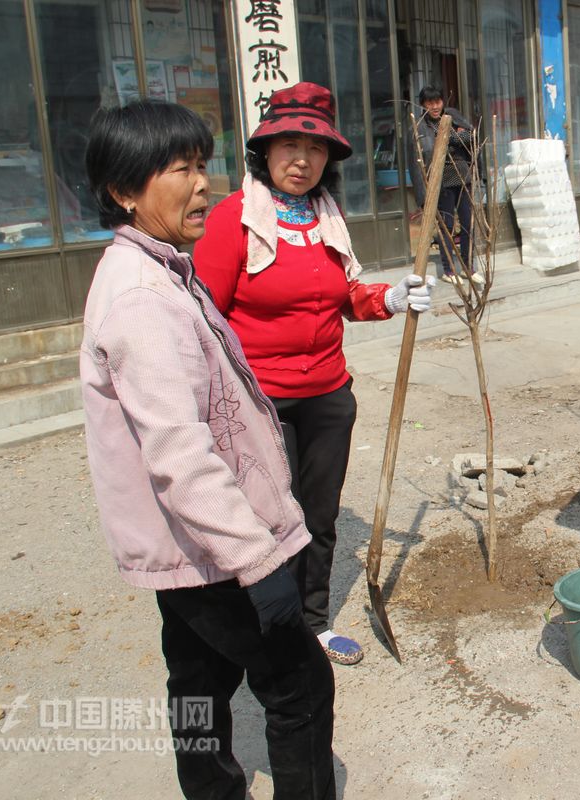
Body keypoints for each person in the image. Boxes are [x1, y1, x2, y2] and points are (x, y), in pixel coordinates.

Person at [81, 100, 335, 798]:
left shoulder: (156, 268)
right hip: (215, 548)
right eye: (179, 170)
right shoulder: (142, 300)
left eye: (202, 165)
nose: (202, 185)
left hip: (185, 549)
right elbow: (180, 455)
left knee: (195, 681)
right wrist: (257, 562)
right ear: (124, 192)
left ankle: (211, 789)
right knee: (300, 685)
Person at [194, 82, 434, 666]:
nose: (302, 160)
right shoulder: (233, 220)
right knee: (266, 517)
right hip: (258, 401)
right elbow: (203, 316)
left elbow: (344, 295)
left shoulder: (326, 218)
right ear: (264, 150)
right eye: (288, 145)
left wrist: (390, 297)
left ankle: (312, 623)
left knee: (319, 515)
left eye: (316, 149)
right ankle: (266, 628)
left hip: (328, 394)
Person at [408, 85, 481, 284]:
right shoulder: (419, 127)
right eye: (430, 102)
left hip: (462, 175)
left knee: (468, 223)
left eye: (438, 101)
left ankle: (468, 266)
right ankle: (449, 270)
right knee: (446, 226)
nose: (435, 106)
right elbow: (416, 163)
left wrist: (451, 137)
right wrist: (422, 196)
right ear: (423, 104)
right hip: (440, 181)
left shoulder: (452, 116)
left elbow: (471, 137)